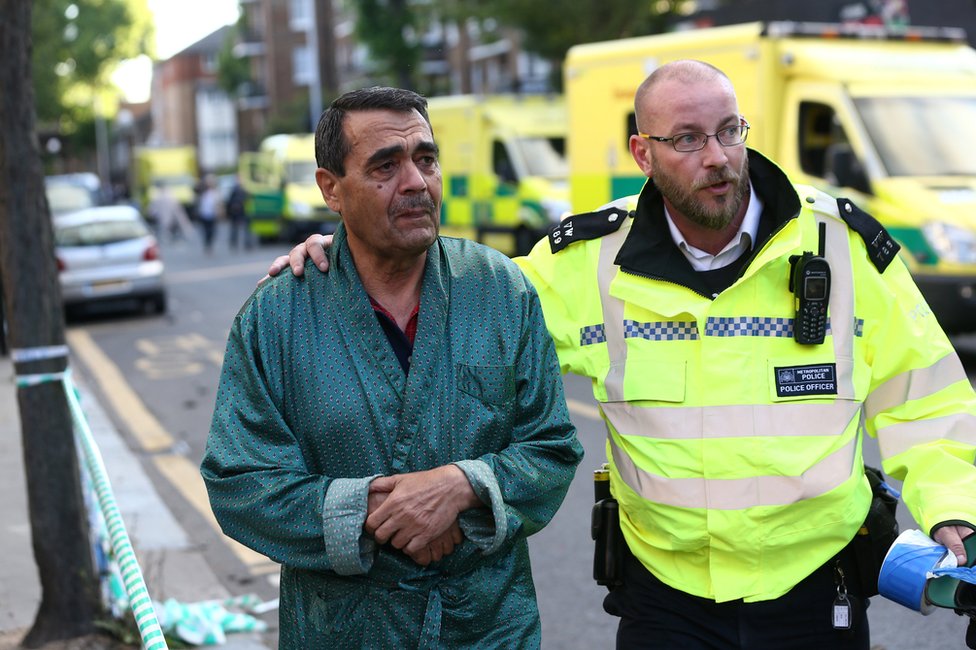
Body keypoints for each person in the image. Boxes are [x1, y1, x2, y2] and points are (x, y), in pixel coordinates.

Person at [268, 61, 976, 649]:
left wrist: (955, 511)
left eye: (730, 131)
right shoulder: (586, 263)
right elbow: (459, 314)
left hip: (817, 589)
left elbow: (928, 394)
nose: (718, 157)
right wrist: (351, 254)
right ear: (644, 153)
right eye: (688, 139)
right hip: (667, 603)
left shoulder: (840, 249)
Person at [201, 86, 583, 648]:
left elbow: (551, 446)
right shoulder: (279, 316)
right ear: (331, 188)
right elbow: (241, 482)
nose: (415, 182)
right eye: (385, 165)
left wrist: (461, 487)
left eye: (425, 159)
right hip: (344, 632)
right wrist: (375, 514)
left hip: (487, 627)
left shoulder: (498, 289)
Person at [224, 174, 251, 250]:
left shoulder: (243, 189)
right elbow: (229, 202)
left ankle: (246, 244)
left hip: (242, 212)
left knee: (245, 229)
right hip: (236, 213)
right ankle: (235, 243)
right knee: (236, 230)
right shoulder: (235, 190)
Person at [195, 173, 220, 253]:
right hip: (204, 214)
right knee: (205, 231)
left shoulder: (215, 192)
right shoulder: (202, 191)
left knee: (212, 231)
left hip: (212, 214)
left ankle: (210, 244)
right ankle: (207, 245)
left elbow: (219, 203)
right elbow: (195, 190)